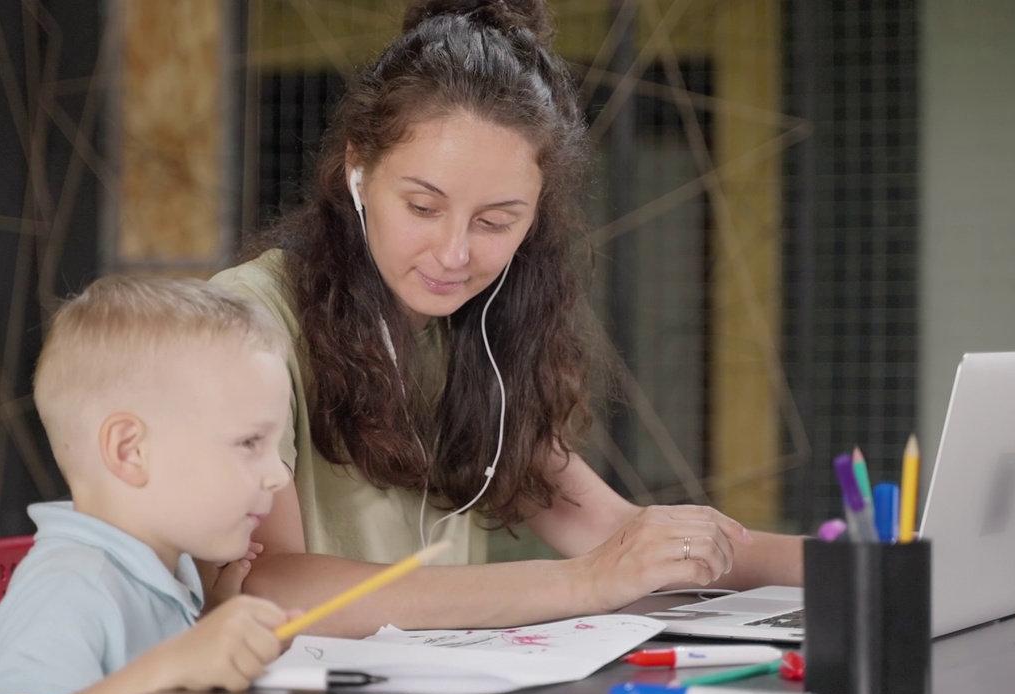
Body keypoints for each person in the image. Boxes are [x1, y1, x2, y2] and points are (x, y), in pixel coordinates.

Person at [211, 0, 802, 639]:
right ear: (357, 169)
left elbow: (606, 526)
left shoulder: (477, 329)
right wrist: (585, 581)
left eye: (496, 222)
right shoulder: (245, 323)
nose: (455, 254)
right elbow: (272, 583)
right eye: (422, 207)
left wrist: (875, 563)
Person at [0, 277, 295, 694]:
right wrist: (174, 665)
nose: (278, 475)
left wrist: (212, 620)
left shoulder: (165, 568)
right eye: (251, 442)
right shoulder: (72, 586)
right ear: (129, 451)